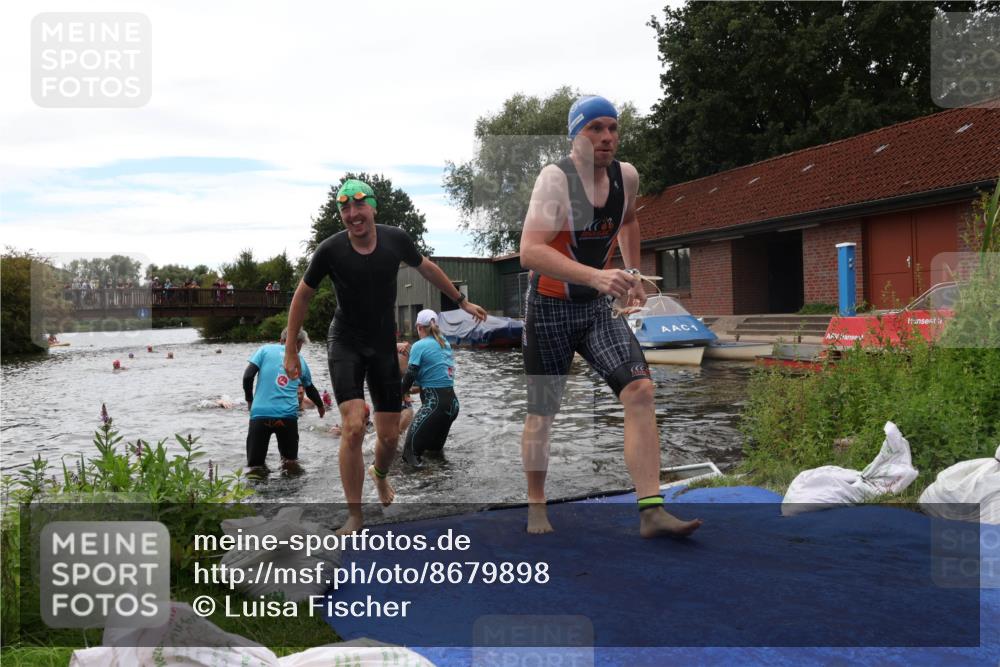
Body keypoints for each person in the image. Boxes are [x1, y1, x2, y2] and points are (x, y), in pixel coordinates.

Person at [518, 95, 702, 538]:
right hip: (548, 307)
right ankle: (536, 503)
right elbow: (530, 251)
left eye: (612, 128)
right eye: (595, 128)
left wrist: (632, 272)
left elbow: (629, 221)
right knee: (543, 412)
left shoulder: (627, 177)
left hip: (595, 308)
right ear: (574, 135)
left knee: (640, 389)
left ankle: (651, 511)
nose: (606, 137)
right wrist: (597, 276)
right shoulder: (555, 180)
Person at [281, 178, 487, 533]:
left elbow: (427, 268)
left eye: (359, 205)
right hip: (345, 340)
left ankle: (380, 474)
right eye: (345, 208)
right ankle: (355, 515)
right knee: (352, 426)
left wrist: (461, 301)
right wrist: (290, 352)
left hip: (381, 343)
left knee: (389, 437)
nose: (353, 214)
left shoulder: (396, 240)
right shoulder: (330, 250)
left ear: (373, 207)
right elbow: (302, 296)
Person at [243, 328, 325, 470]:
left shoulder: (264, 350)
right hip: (287, 417)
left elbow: (248, 377)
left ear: (281, 340)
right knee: (290, 464)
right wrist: (320, 406)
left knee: (255, 466)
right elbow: (310, 388)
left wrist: (250, 400)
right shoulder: (300, 361)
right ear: (299, 343)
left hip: (261, 415)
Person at [400, 310, 459, 467]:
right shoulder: (444, 343)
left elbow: (410, 376)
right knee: (434, 454)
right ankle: (440, 479)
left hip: (435, 405)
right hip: (452, 405)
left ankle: (423, 481)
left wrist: (398, 394)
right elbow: (432, 374)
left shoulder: (419, 346)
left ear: (419, 327)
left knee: (409, 454)